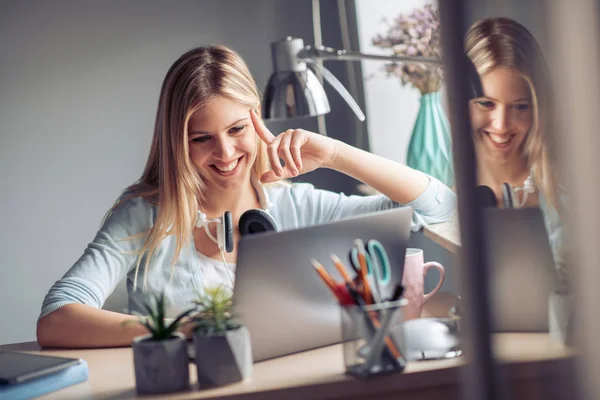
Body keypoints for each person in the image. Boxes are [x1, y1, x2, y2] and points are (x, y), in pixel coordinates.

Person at [36, 45, 456, 348]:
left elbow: (437, 207)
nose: (225, 154)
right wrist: (181, 329)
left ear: (258, 119)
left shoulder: (295, 205)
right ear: (176, 141)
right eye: (202, 138)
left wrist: (334, 153)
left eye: (237, 130)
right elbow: (56, 319)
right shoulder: (144, 216)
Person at [466, 17, 567, 275]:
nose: (502, 125)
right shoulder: (440, 185)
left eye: (520, 106)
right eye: (486, 104)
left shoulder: (566, 190)